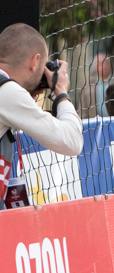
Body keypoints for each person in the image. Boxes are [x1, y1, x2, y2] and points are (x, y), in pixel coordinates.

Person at [0, 24, 82, 206]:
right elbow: (72, 141)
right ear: (35, 61)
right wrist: (61, 92)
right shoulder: (6, 91)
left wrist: (26, 92)